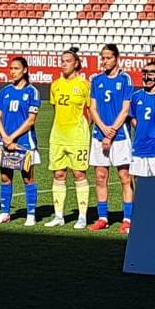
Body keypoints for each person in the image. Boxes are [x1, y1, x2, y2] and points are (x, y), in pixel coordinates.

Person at [88, 44, 134, 233]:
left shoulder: (125, 79)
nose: (104, 61)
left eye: (107, 58)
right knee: (100, 177)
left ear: (116, 58)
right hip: (100, 135)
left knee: (124, 177)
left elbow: (125, 109)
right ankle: (102, 217)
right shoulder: (96, 80)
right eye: (102, 58)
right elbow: (92, 108)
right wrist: (103, 129)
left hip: (120, 136)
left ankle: (128, 218)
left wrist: (112, 130)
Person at [0, 56, 41, 227]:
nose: (12, 72)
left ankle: (31, 214)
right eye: (11, 68)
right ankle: (5, 213)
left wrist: (12, 138)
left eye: (16, 68)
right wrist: (5, 137)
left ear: (25, 70)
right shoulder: (4, 91)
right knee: (5, 177)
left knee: (28, 178)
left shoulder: (32, 91)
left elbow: (31, 120)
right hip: (4, 141)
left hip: (24, 142)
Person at [45, 47, 91, 228]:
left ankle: (82, 216)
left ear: (76, 64)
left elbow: (91, 111)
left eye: (67, 61)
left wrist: (83, 128)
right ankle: (58, 216)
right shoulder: (55, 85)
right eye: (62, 61)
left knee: (79, 174)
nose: (63, 64)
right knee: (58, 174)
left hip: (78, 137)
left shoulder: (84, 85)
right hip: (58, 136)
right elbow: (56, 110)